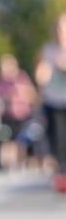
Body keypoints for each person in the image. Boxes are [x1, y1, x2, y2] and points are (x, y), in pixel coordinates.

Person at [35, 13, 66, 193]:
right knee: (57, 138)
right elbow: (41, 74)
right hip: (53, 100)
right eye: (58, 28)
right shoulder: (48, 49)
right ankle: (61, 173)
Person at [0, 54, 37, 169]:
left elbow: (31, 95)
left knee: (20, 141)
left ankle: (19, 163)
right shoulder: (0, 82)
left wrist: (21, 93)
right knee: (6, 140)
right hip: (6, 116)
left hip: (21, 115)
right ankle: (7, 164)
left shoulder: (22, 78)